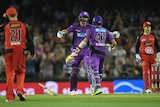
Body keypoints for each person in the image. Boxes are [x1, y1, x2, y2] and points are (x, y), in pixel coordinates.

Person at [66, 15, 117, 95]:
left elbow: (84, 41)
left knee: (94, 70)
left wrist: (77, 49)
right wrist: (110, 46)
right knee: (100, 71)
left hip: (94, 52)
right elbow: (114, 43)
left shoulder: (91, 29)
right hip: (103, 53)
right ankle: (95, 87)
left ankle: (97, 88)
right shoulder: (105, 30)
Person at [0, 7, 35, 102]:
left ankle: (10, 97)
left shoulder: (5, 25)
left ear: (7, 16)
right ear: (17, 14)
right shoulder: (24, 25)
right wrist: (32, 52)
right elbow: (30, 40)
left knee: (10, 74)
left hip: (9, 52)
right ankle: (20, 90)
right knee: (20, 72)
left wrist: (4, 19)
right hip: (20, 51)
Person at [57, 11, 92, 95]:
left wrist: (110, 34)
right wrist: (61, 32)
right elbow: (67, 30)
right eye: (83, 18)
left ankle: (94, 88)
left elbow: (99, 31)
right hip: (76, 50)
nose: (84, 20)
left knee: (89, 68)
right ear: (80, 18)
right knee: (74, 71)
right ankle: (73, 90)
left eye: (86, 18)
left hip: (86, 50)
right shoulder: (75, 26)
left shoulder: (90, 27)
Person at [135, 21, 160, 93]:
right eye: (146, 27)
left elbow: (158, 47)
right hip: (144, 57)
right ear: (143, 28)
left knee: (154, 73)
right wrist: (137, 54)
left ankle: (155, 88)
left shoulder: (153, 36)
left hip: (153, 56)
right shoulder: (140, 37)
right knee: (146, 72)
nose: (148, 28)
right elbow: (137, 47)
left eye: (149, 27)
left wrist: (158, 55)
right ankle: (147, 88)